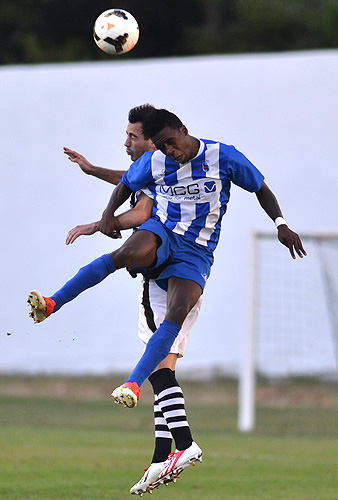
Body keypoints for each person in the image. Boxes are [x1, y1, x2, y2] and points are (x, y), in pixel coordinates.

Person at [28, 107, 306, 491]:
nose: (169, 151)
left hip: (196, 253)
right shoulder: (156, 160)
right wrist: (107, 213)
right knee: (124, 255)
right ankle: (53, 303)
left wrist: (282, 224)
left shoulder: (221, 156)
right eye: (161, 146)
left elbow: (261, 187)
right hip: (165, 233)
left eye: (172, 143)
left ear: (184, 131)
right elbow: (127, 181)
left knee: (173, 324)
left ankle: (156, 425)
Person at [31, 104, 204, 495]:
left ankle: (184, 444)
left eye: (132, 137)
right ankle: (161, 457)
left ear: (152, 142)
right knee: (164, 371)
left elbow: (141, 208)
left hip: (167, 280)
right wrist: (93, 172)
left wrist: (99, 223)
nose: (126, 143)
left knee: (159, 372)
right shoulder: (163, 167)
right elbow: (131, 181)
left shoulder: (161, 167)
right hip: (186, 277)